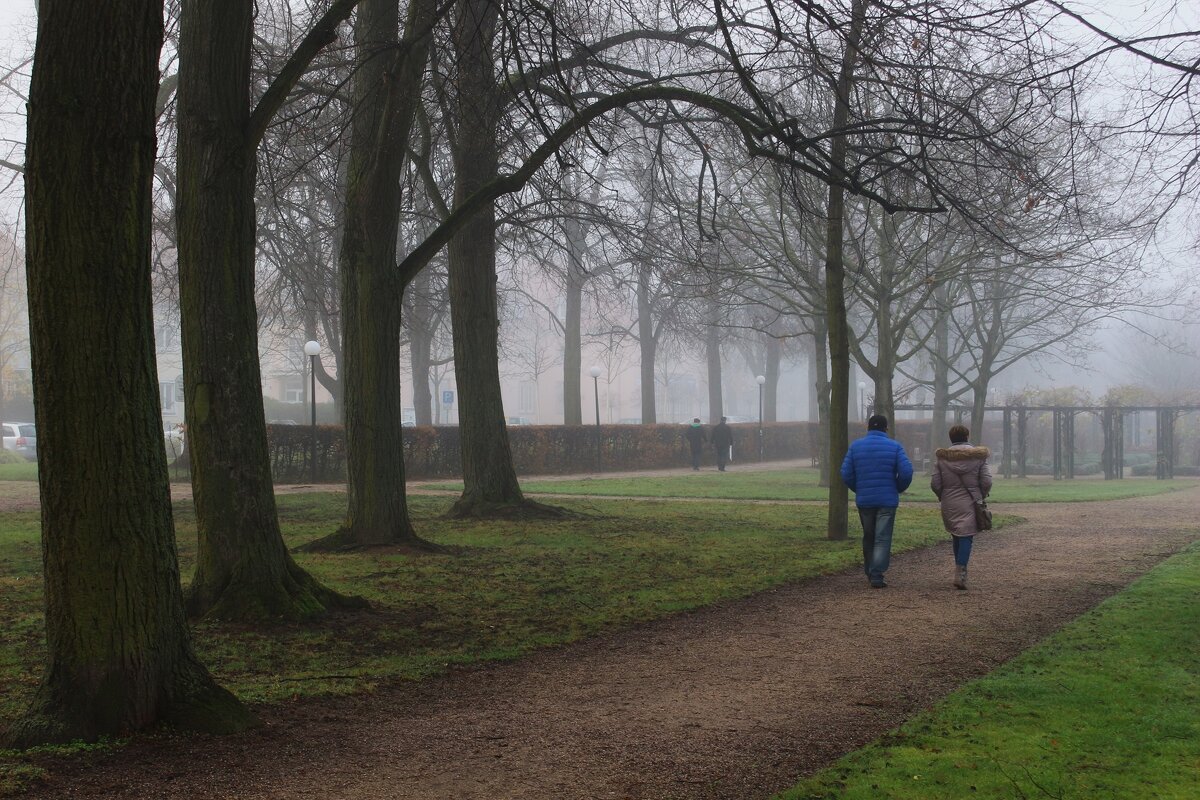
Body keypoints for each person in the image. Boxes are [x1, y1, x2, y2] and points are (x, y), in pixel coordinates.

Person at [840, 414, 914, 588]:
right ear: (885, 428)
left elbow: (845, 473)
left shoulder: (855, 447)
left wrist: (859, 488)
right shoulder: (895, 447)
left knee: (869, 535)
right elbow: (906, 472)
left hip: (865, 500)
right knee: (882, 537)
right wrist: (898, 487)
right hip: (887, 500)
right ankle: (876, 573)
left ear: (868, 427)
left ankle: (869, 569)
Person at [931, 424, 992, 590]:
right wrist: (982, 494)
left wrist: (942, 495)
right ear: (967, 437)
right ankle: (961, 572)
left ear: (951, 439)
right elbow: (987, 481)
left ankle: (959, 569)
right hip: (971, 501)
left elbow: (935, 483)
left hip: (949, 501)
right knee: (966, 535)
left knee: (956, 534)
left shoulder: (942, 459)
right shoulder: (979, 458)